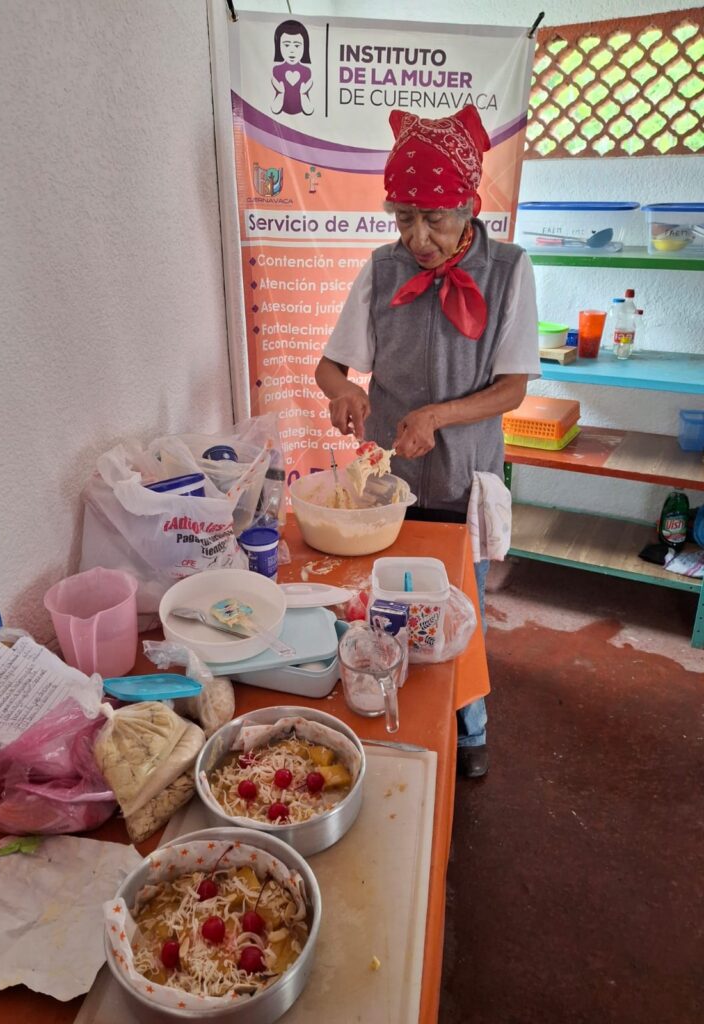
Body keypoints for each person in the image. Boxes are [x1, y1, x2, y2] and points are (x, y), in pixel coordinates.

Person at [315, 106, 540, 779]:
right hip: (387, 484)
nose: (417, 237)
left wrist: (438, 416)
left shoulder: (509, 271)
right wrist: (343, 393)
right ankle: (388, 713)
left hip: (461, 475)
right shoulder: (383, 271)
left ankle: (471, 728)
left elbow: (511, 390)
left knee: (457, 609)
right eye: (403, 217)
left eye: (433, 218)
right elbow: (331, 367)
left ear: (470, 205)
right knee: (383, 603)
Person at [271, 19, 313, 116]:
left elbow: (309, 110)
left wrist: (303, 94)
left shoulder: (306, 71)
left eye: (297, 46)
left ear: (304, 47)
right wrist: (281, 93)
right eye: (286, 45)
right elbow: (275, 109)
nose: (292, 51)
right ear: (278, 46)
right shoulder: (277, 70)